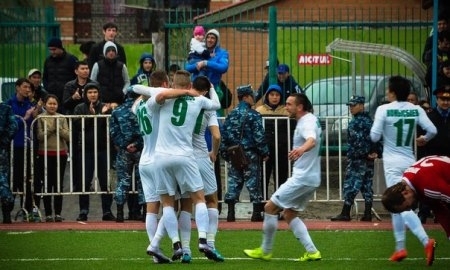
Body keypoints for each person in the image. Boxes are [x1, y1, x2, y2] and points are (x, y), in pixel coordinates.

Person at [129, 70, 205, 264]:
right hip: (160, 158)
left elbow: (137, 98)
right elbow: (164, 95)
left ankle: (156, 252)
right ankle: (159, 244)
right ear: (164, 84)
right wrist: (186, 92)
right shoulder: (162, 103)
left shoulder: (138, 105)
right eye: (168, 84)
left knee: (152, 208)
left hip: (144, 161)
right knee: (170, 204)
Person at [147, 70, 221, 262]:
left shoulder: (162, 100)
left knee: (168, 204)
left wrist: (178, 91)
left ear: (172, 83)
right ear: (190, 86)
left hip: (161, 157)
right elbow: (217, 104)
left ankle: (176, 244)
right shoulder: (199, 100)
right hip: (187, 156)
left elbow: (159, 95)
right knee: (200, 199)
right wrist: (202, 91)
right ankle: (204, 239)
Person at [243, 93, 322, 262]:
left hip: (303, 178)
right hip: (312, 178)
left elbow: (312, 140)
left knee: (270, 208)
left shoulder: (306, 122)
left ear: (299, 107)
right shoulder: (310, 119)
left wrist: (301, 149)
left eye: (289, 104)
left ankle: (265, 250)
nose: (286, 107)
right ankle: (312, 251)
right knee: (289, 214)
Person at [370, 75, 437, 265]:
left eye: (387, 90)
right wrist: (424, 139)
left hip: (391, 162)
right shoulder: (415, 109)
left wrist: (381, 128)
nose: (386, 93)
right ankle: (400, 248)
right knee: (396, 207)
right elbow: (432, 130)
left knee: (400, 204)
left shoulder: (383, 109)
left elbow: (374, 137)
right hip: (410, 161)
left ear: (392, 92)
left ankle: (426, 241)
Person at [220, 85, 270, 222]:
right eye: (252, 95)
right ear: (246, 97)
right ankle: (256, 214)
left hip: (234, 153)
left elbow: (223, 135)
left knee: (234, 182)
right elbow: (259, 136)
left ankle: (230, 213)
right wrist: (264, 152)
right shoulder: (254, 115)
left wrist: (225, 152)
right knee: (253, 182)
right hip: (250, 153)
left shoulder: (231, 114)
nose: (254, 98)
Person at [330, 96, 381, 222]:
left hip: (358, 158)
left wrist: (364, 154)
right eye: (350, 105)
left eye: (353, 105)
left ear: (361, 105)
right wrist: (375, 152)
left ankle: (346, 212)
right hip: (369, 158)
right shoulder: (370, 120)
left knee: (351, 184)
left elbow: (358, 142)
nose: (351, 108)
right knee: (366, 185)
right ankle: (367, 213)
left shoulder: (356, 122)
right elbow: (377, 137)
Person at [381, 155, 450, 242]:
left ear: (405, 193)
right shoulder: (409, 180)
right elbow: (439, 210)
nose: (410, 208)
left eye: (406, 207)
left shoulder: (427, 187)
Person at [73, 83, 115, 222]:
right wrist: (92, 116)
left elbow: (110, 127)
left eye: (95, 92)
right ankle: (83, 211)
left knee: (105, 181)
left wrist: (105, 113)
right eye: (90, 92)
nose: (92, 94)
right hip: (86, 149)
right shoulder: (79, 108)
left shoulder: (105, 107)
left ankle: (107, 211)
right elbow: (77, 126)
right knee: (84, 181)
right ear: (85, 94)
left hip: (103, 149)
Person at [416, 86, 450, 223]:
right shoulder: (429, 117)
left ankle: (444, 215)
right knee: (428, 185)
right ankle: (424, 212)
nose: (445, 102)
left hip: (448, 158)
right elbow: (420, 137)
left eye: (448, 99)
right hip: (432, 157)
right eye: (443, 99)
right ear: (437, 99)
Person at [109, 90, 144, 223]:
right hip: (141, 150)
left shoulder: (117, 111)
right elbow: (147, 130)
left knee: (123, 181)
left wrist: (125, 145)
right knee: (143, 181)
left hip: (124, 151)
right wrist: (137, 144)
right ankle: (145, 213)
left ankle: (119, 213)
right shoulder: (142, 109)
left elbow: (113, 132)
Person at [7, 78, 39, 220]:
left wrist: (34, 116)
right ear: (17, 88)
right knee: (12, 180)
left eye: (29, 88)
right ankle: (7, 211)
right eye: (25, 87)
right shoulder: (8, 105)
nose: (27, 90)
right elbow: (8, 126)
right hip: (13, 147)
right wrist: (25, 118)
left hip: (28, 147)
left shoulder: (30, 105)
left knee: (28, 180)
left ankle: (27, 211)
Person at [35, 94, 70, 222]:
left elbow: (68, 136)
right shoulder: (40, 118)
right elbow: (39, 136)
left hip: (60, 154)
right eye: (49, 103)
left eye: (54, 104)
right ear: (45, 104)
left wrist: (58, 129)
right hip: (44, 154)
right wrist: (51, 129)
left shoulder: (62, 117)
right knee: (47, 185)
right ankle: (48, 213)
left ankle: (58, 213)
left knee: (58, 184)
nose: (52, 106)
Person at [255, 84, 292, 198]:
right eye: (272, 95)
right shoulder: (259, 111)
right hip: (265, 151)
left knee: (282, 177)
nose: (275, 97)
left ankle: (279, 203)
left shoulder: (286, 111)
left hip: (282, 150)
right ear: (267, 96)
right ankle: (262, 204)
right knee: (263, 177)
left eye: (277, 95)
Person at [90, 41, 130, 108]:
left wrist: (123, 93)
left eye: (113, 50)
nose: (111, 52)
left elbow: (127, 82)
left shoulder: (122, 66)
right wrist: (98, 93)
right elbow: (92, 81)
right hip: (101, 101)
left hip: (118, 101)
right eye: (108, 50)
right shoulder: (97, 65)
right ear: (105, 52)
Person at [42, 37, 78, 111]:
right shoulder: (48, 61)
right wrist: (47, 88)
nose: (52, 52)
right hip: (52, 96)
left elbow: (76, 76)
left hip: (67, 96)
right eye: (50, 50)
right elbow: (45, 76)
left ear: (60, 48)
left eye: (54, 49)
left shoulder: (71, 59)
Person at [0, 102, 18, 224]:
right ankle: (7, 204)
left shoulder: (5, 108)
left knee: (2, 179)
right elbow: (13, 126)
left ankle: (7, 204)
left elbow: (14, 126)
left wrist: (3, 141)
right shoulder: (6, 108)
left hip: (1, 149)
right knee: (2, 180)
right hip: (2, 149)